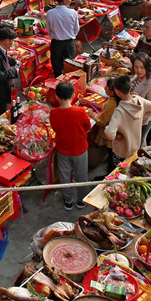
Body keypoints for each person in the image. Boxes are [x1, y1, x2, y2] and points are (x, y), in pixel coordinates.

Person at [51, 81, 92, 211]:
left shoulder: (54, 113)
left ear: (57, 96)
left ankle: (68, 201)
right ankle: (81, 200)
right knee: (81, 175)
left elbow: (54, 128)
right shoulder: (81, 112)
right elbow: (88, 127)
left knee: (64, 176)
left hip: (63, 150)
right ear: (74, 95)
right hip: (80, 150)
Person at [104, 75, 151, 160]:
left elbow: (109, 133)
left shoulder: (119, 111)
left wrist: (115, 134)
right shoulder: (139, 100)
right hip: (136, 146)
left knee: (121, 169)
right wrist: (141, 118)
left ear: (117, 91)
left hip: (122, 151)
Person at [46, 0, 80, 77]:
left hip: (56, 43)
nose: (70, 1)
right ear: (64, 1)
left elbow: (48, 30)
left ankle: (59, 85)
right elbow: (77, 29)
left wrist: (55, 35)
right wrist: (70, 35)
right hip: (69, 43)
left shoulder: (50, 13)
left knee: (57, 68)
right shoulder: (73, 12)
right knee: (71, 66)